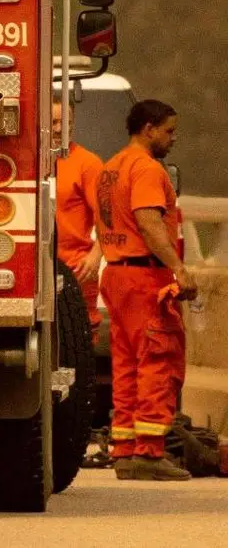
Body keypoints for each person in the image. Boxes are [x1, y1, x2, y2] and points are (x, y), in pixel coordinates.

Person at [95, 99, 194, 481]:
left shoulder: (111, 167)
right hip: (143, 278)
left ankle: (124, 449)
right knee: (157, 361)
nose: (173, 138)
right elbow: (150, 223)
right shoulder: (146, 169)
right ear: (149, 128)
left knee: (127, 364)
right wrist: (178, 268)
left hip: (117, 276)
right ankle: (150, 452)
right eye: (169, 130)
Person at [52, 95, 105, 341]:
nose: (61, 129)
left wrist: (96, 256)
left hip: (76, 269)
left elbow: (108, 216)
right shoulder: (27, 162)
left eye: (67, 122)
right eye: (53, 122)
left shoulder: (87, 163)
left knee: (79, 342)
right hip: (32, 270)